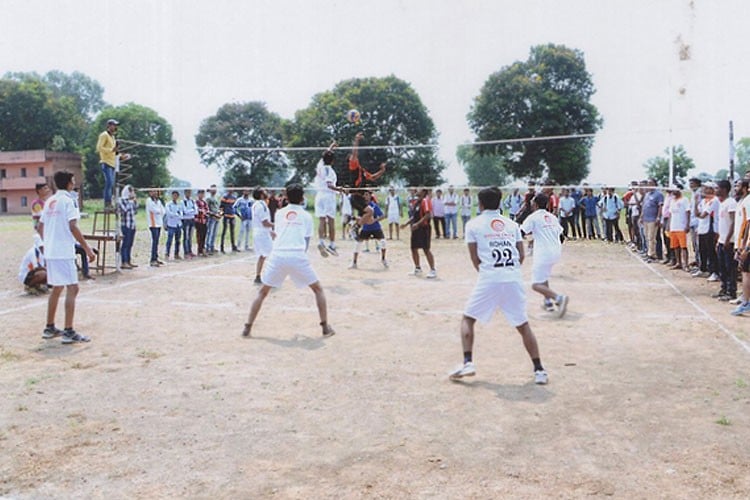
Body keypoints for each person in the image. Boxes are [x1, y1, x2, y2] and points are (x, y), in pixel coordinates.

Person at [448, 187, 548, 385]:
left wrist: (489, 273)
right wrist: (508, 271)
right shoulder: (512, 225)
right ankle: (539, 370)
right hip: (513, 278)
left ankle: (468, 362)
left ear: (481, 204)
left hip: (489, 277)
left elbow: (475, 258)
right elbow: (520, 255)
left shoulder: (473, 225)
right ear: (500, 203)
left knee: (468, 319)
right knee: (523, 325)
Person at [241, 184, 335, 338]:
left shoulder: (279, 214)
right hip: (297, 254)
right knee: (318, 289)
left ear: (286, 197)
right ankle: (325, 327)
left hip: (278, 255)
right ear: (302, 198)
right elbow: (305, 240)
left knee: (263, 292)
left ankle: (247, 327)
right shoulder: (306, 216)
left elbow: (277, 233)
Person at [38, 171, 96, 343]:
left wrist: (48, 243)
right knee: (73, 288)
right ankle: (69, 331)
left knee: (57, 288)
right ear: (69, 184)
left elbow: (40, 228)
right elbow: (73, 226)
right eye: (73, 181)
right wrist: (87, 248)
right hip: (63, 252)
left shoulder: (50, 201)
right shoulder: (68, 201)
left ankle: (49, 327)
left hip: (51, 251)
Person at [521, 192, 569, 317]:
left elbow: (521, 232)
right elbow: (561, 236)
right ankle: (547, 301)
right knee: (544, 276)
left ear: (535, 204)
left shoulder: (533, 217)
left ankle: (559, 298)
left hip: (543, 253)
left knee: (535, 285)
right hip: (556, 251)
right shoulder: (551, 216)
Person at [314, 142, 344, 257]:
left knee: (322, 220)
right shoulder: (329, 171)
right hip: (328, 195)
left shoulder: (320, 165)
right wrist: (340, 189)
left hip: (319, 195)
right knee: (331, 220)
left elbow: (326, 155)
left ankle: (321, 242)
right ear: (332, 161)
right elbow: (329, 185)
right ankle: (331, 245)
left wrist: (331, 146)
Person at [401, 188, 436, 278]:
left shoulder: (425, 201)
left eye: (419, 190)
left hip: (424, 228)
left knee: (426, 249)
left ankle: (433, 270)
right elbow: (413, 217)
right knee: (413, 248)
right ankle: (417, 268)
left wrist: (417, 224)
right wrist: (406, 224)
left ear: (424, 192)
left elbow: (428, 215)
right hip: (415, 229)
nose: (417, 191)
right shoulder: (416, 202)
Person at [350, 190, 388, 269]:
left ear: (370, 196)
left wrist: (374, 220)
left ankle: (383, 259)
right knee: (358, 244)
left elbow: (383, 216)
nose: (365, 197)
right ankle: (354, 263)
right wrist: (356, 219)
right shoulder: (362, 207)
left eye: (367, 195)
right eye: (364, 195)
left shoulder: (374, 206)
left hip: (376, 227)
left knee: (383, 242)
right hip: (366, 228)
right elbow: (360, 218)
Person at [714, 180, 737, 301]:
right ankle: (724, 288)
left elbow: (733, 222)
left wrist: (728, 239)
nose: (715, 190)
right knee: (722, 267)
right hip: (722, 240)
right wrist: (719, 239)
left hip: (729, 241)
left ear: (724, 189)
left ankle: (731, 291)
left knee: (730, 267)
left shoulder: (731, 203)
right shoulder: (721, 203)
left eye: (717, 188)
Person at [693, 183, 720, 281]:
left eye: (707, 188)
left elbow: (703, 215)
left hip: (710, 229)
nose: (704, 190)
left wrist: (699, 214)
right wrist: (696, 202)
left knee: (711, 251)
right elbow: (697, 213)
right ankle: (703, 269)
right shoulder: (703, 201)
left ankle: (715, 272)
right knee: (702, 250)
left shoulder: (714, 200)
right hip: (702, 228)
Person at [731, 179, 750, 315]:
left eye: (738, 185)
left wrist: (745, 247)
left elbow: (748, 225)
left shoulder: (748, 201)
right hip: (743, 242)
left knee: (746, 272)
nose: (735, 188)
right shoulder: (742, 201)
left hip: (747, 243)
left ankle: (746, 302)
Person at [96, 119, 122, 209]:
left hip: (112, 163)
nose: (115, 127)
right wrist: (111, 150)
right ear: (109, 126)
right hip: (106, 162)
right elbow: (99, 148)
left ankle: (110, 202)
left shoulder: (113, 137)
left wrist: (120, 155)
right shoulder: (104, 135)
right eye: (114, 125)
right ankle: (107, 203)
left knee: (111, 184)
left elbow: (114, 151)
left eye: (116, 126)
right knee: (109, 182)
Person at [251, 187, 274, 285]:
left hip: (260, 232)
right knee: (272, 255)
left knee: (263, 255)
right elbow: (265, 223)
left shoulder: (258, 204)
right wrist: (277, 225)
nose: (266, 193)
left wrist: (271, 231)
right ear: (261, 195)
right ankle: (269, 278)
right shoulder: (261, 205)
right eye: (264, 192)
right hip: (262, 233)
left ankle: (258, 276)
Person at [667, 185, 690, 272]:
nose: (673, 192)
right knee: (675, 246)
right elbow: (670, 214)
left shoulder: (684, 200)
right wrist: (669, 225)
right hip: (673, 226)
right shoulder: (672, 200)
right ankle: (678, 262)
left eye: (674, 190)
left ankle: (686, 264)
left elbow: (688, 212)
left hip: (681, 226)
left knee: (683, 246)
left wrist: (687, 224)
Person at [641, 179, 664, 262]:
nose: (649, 185)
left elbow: (660, 206)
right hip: (646, 219)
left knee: (652, 237)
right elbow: (644, 206)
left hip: (653, 219)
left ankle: (652, 255)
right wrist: (641, 216)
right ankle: (649, 252)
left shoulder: (658, 194)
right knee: (646, 236)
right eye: (648, 183)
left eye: (651, 183)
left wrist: (658, 217)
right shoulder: (647, 194)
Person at [117, 184, 138, 269]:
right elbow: (124, 210)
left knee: (130, 244)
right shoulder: (121, 200)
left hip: (132, 225)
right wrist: (131, 201)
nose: (132, 193)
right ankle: (123, 261)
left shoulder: (131, 201)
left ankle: (128, 261)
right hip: (125, 225)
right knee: (125, 244)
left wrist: (135, 202)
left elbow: (135, 211)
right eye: (131, 191)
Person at [146, 189, 166, 266]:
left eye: (157, 192)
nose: (155, 193)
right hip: (153, 224)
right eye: (153, 192)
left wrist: (159, 211)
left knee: (157, 241)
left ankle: (155, 257)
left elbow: (163, 211)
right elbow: (154, 210)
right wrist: (159, 211)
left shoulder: (158, 201)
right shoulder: (149, 201)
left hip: (159, 223)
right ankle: (152, 259)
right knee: (154, 241)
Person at [165, 190, 183, 260]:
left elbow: (181, 215)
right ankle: (167, 253)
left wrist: (175, 215)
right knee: (169, 240)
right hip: (171, 224)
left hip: (178, 224)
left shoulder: (179, 205)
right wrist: (176, 214)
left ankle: (176, 254)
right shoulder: (168, 204)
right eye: (174, 195)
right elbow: (169, 214)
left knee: (178, 240)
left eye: (176, 195)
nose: (175, 197)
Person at [181, 188, 197, 258]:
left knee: (190, 237)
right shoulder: (182, 202)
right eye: (187, 192)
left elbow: (196, 211)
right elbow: (185, 211)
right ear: (185, 193)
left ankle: (190, 251)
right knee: (186, 237)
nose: (189, 194)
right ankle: (186, 252)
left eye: (190, 192)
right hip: (186, 220)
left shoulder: (192, 201)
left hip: (192, 220)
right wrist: (192, 210)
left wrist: (190, 211)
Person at [205, 184, 221, 255]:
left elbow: (218, 207)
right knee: (210, 233)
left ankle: (212, 246)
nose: (214, 190)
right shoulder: (208, 198)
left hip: (217, 217)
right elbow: (207, 209)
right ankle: (207, 247)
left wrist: (220, 213)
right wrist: (213, 214)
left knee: (215, 233)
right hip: (211, 217)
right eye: (213, 189)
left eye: (215, 189)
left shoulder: (217, 197)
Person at [195, 189, 209, 257]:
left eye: (203, 194)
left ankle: (203, 249)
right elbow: (197, 210)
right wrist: (203, 211)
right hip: (198, 221)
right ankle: (199, 250)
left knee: (204, 236)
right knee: (199, 236)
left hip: (204, 221)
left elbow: (207, 210)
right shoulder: (196, 202)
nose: (202, 195)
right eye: (200, 194)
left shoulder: (204, 202)